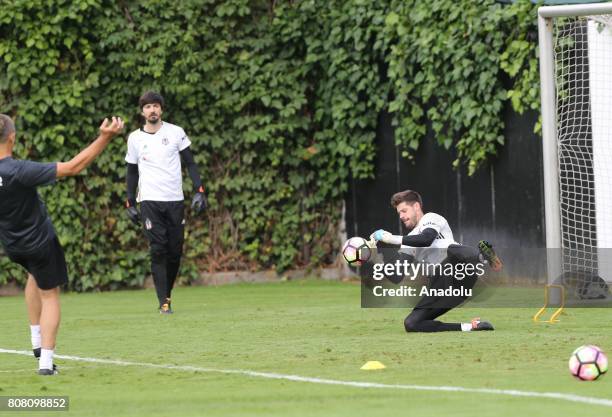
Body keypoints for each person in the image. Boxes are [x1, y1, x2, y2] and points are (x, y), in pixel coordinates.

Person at [0, 114, 124, 375]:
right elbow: (73, 167)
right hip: (40, 243)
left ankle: (36, 343)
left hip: (13, 246)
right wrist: (105, 138)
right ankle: (45, 363)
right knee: (50, 296)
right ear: (12, 137)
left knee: (34, 275)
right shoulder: (19, 170)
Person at [370, 190, 502, 333]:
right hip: (444, 287)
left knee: (449, 249)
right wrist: (375, 258)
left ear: (416, 206)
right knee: (411, 323)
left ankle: (483, 256)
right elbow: (397, 276)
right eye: (399, 213)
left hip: (460, 269)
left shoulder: (430, 218)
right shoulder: (409, 240)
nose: (401, 216)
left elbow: (426, 238)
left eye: (404, 211)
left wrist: (390, 239)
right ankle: (471, 327)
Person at [125, 91, 206, 314]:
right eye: (148, 107)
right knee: (158, 249)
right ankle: (163, 301)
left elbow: (190, 163)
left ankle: (166, 295)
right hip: (150, 201)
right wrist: (130, 202)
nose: (153, 110)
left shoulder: (176, 132)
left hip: (175, 200)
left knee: (174, 251)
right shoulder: (135, 138)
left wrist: (200, 191)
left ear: (161, 109)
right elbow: (131, 172)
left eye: (156, 106)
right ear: (142, 112)